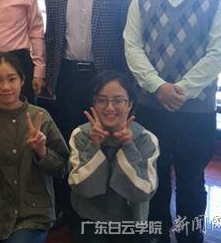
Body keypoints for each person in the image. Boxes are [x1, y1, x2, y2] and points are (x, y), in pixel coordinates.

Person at [124, 0, 221, 243]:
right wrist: (158, 87)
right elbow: (132, 47)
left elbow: (219, 52)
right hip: (151, 107)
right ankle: (156, 235)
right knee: (152, 178)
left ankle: (189, 237)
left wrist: (180, 90)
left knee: (191, 182)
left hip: (196, 111)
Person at [44, 0, 134, 225]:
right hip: (68, 77)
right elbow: (52, 38)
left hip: (105, 79)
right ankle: (67, 207)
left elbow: (130, 39)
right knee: (68, 139)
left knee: (105, 139)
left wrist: (126, 84)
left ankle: (104, 209)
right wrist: (48, 79)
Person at [0, 53, 68, 243]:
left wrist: (42, 152)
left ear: (22, 80)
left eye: (12, 79)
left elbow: (62, 168)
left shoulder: (40, 117)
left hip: (31, 214)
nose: (6, 87)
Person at [68, 70, 159, 243]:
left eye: (118, 101)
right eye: (102, 100)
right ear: (93, 103)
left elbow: (143, 191)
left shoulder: (145, 139)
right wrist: (94, 145)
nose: (109, 108)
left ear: (130, 104)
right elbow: (82, 188)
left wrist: (128, 145)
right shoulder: (81, 135)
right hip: (90, 220)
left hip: (131, 222)